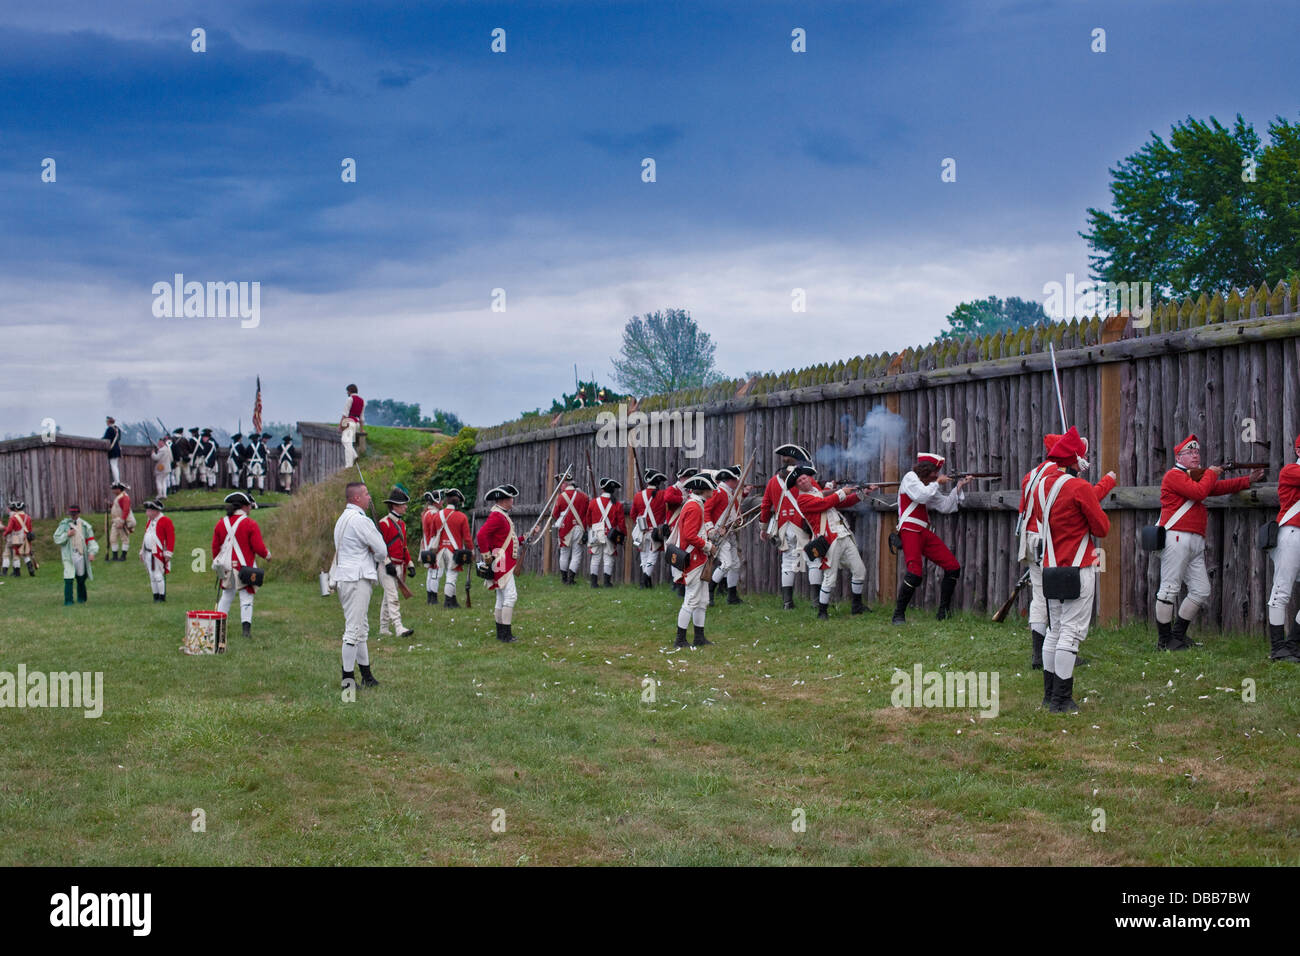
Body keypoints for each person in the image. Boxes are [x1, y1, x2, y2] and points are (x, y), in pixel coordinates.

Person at [1153, 434, 1263, 651]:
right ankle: (1164, 641)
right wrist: (1213, 473)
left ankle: (1177, 636)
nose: (1195, 455)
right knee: (1169, 589)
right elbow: (1201, 491)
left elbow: (1217, 488)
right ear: (1179, 457)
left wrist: (1247, 480)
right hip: (1176, 537)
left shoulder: (1194, 477)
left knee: (1201, 590)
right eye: (1189, 453)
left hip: (1194, 541)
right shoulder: (1173, 476)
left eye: (1196, 452)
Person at [1017, 433, 1117, 669]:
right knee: (1066, 624)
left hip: (1035, 539)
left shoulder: (1033, 476)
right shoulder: (1063, 479)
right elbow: (1084, 501)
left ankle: (1040, 656)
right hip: (1059, 543)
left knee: (1042, 599)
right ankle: (1055, 672)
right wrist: (1107, 482)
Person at [1038, 428, 1111, 713]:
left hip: (1051, 566)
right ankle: (1061, 699)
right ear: (1074, 459)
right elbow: (1101, 527)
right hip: (1077, 566)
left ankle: (1049, 696)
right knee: (1071, 632)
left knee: (1054, 631)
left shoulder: (1044, 483)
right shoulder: (1078, 487)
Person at [891, 453, 971, 624]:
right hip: (909, 530)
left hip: (924, 531)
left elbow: (945, 506)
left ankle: (943, 612)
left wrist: (958, 487)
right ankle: (898, 614)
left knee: (953, 567)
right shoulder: (910, 478)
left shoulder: (928, 485)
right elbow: (921, 496)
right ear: (926, 470)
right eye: (935, 472)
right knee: (914, 574)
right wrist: (936, 483)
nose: (937, 475)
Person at [792, 465, 877, 618]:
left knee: (859, 571)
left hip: (844, 534)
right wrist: (841, 492)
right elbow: (825, 503)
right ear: (797, 485)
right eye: (800, 480)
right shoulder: (803, 499)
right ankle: (822, 611)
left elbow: (843, 502)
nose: (804, 480)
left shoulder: (818, 492)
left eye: (805, 477)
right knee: (830, 578)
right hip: (829, 539)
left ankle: (856, 606)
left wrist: (862, 493)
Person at [330, 481, 387, 689]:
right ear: (356, 498)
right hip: (358, 578)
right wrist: (374, 552)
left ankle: (367, 675)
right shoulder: (361, 521)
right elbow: (382, 550)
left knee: (361, 628)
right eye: (365, 493)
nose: (369, 497)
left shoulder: (342, 520)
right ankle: (348, 681)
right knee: (353, 631)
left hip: (346, 578)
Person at [760, 443, 822, 610]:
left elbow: (765, 505)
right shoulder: (802, 478)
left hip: (783, 528)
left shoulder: (773, 480)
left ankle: (788, 603)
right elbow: (818, 496)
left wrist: (763, 528)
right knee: (814, 560)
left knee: (787, 563)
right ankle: (816, 602)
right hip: (802, 524)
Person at [212, 491, 270, 639]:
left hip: (225, 567)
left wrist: (219, 565)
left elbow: (215, 547)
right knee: (246, 597)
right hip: (245, 567)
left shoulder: (221, 523)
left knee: (226, 596)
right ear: (245, 506)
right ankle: (246, 631)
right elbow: (258, 546)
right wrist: (267, 555)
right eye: (249, 506)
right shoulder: (250, 523)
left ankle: (218, 627)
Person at [669, 472, 717, 647]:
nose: (714, 490)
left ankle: (699, 637)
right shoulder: (694, 506)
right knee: (690, 600)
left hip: (698, 557)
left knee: (702, 600)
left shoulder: (696, 504)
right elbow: (689, 536)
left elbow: (696, 532)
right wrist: (708, 546)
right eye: (711, 487)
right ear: (704, 489)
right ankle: (680, 639)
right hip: (694, 558)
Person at [1264, 433, 1300, 663]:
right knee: (1281, 592)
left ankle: (1293, 644)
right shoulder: (1290, 470)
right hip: (1292, 534)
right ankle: (1278, 648)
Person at [477, 484, 522, 643]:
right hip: (502, 562)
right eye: (510, 497)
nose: (512, 500)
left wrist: (524, 538)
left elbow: (505, 539)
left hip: (502, 561)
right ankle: (506, 635)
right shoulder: (497, 516)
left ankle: (501, 634)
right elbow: (481, 535)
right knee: (510, 596)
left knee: (501, 598)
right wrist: (486, 556)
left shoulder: (501, 514)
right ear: (504, 500)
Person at [376, 485, 416, 639]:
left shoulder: (402, 524)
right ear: (394, 506)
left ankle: (384, 629)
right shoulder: (383, 523)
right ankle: (399, 628)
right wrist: (387, 563)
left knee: (388, 598)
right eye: (403, 504)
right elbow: (379, 547)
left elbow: (404, 546)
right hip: (386, 566)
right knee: (393, 597)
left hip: (399, 565)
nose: (405, 507)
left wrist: (410, 564)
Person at [706, 466, 749, 605]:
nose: (738, 482)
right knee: (727, 564)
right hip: (718, 535)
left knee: (735, 565)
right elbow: (706, 510)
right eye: (737, 480)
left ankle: (732, 596)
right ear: (731, 480)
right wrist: (711, 529)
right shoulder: (718, 492)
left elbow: (736, 514)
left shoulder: (731, 494)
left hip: (729, 533)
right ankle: (709, 591)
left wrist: (737, 520)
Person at [427, 488, 471, 608]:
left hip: (440, 551)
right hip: (454, 551)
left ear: (447, 501)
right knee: (451, 576)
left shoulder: (437, 516)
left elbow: (432, 534)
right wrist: (471, 551)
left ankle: (453, 600)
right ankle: (448, 602)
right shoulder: (462, 517)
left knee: (445, 575)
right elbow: (467, 538)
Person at [53, 505, 98, 605]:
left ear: (79, 513)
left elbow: (91, 540)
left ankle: (81, 598)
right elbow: (57, 538)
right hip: (69, 555)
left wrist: (92, 552)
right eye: (72, 514)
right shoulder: (63, 525)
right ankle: (68, 600)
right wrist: (67, 535)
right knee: (68, 577)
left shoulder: (85, 526)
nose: (73, 515)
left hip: (81, 554)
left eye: (75, 513)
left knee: (81, 577)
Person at [585, 477, 626, 588]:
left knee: (595, 558)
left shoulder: (593, 502)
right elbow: (621, 523)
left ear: (602, 489)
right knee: (608, 557)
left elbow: (588, 519)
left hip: (595, 533)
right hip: (610, 534)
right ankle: (607, 583)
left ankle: (594, 583)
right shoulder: (617, 504)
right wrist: (623, 534)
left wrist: (592, 528)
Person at [630, 469, 668, 587]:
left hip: (642, 532)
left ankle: (647, 582)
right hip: (655, 532)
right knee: (652, 556)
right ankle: (644, 581)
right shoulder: (663, 495)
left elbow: (632, 515)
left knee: (644, 556)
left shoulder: (637, 496)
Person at [552, 473, 588, 585]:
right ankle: (571, 579)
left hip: (564, 528)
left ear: (564, 484)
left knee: (564, 553)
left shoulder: (561, 497)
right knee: (577, 553)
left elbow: (555, 514)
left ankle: (564, 579)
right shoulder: (584, 496)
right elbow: (587, 513)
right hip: (578, 527)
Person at [139, 499, 175, 602]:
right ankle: (155, 595)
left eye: (149, 511)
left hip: (156, 550)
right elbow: (146, 535)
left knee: (158, 575)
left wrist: (168, 552)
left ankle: (161, 596)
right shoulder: (149, 521)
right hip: (149, 550)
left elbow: (170, 538)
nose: (147, 513)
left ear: (156, 511)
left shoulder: (165, 521)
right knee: (152, 575)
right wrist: (142, 551)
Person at [3, 498, 36, 577]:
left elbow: (10, 529)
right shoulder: (28, 517)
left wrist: (4, 534)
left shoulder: (13, 518)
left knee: (17, 554)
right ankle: (30, 569)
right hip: (26, 537)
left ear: (16, 509)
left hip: (16, 538)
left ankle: (16, 573)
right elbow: (30, 529)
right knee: (25, 554)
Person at [107, 481, 135, 561]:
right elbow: (118, 507)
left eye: (114, 489)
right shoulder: (119, 496)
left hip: (122, 521)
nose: (112, 491)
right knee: (112, 538)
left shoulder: (124, 497)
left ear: (118, 489)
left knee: (124, 538)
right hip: (116, 521)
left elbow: (126, 510)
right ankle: (115, 556)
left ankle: (123, 556)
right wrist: (110, 505)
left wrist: (122, 521)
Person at [341, 384, 365, 468]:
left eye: (347, 391)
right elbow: (361, 417)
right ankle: (354, 455)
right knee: (346, 441)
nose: (347, 393)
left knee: (347, 442)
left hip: (349, 421)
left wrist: (341, 424)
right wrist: (362, 429)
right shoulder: (362, 401)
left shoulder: (350, 399)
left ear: (350, 391)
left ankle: (349, 464)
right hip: (356, 422)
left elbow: (345, 413)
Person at [150, 435, 173, 500]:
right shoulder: (167, 449)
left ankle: (160, 494)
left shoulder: (162, 450)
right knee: (164, 481)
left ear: (162, 443)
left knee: (158, 481)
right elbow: (171, 459)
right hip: (167, 467)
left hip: (161, 468)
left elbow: (156, 458)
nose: (158, 443)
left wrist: (153, 453)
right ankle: (164, 495)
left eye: (159, 442)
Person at [102, 416, 123, 484]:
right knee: (115, 465)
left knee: (113, 465)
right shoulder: (118, 429)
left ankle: (117, 481)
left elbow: (105, 438)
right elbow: (119, 439)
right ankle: (117, 480)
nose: (106, 423)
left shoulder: (110, 429)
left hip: (112, 448)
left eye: (106, 421)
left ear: (109, 422)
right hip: (117, 448)